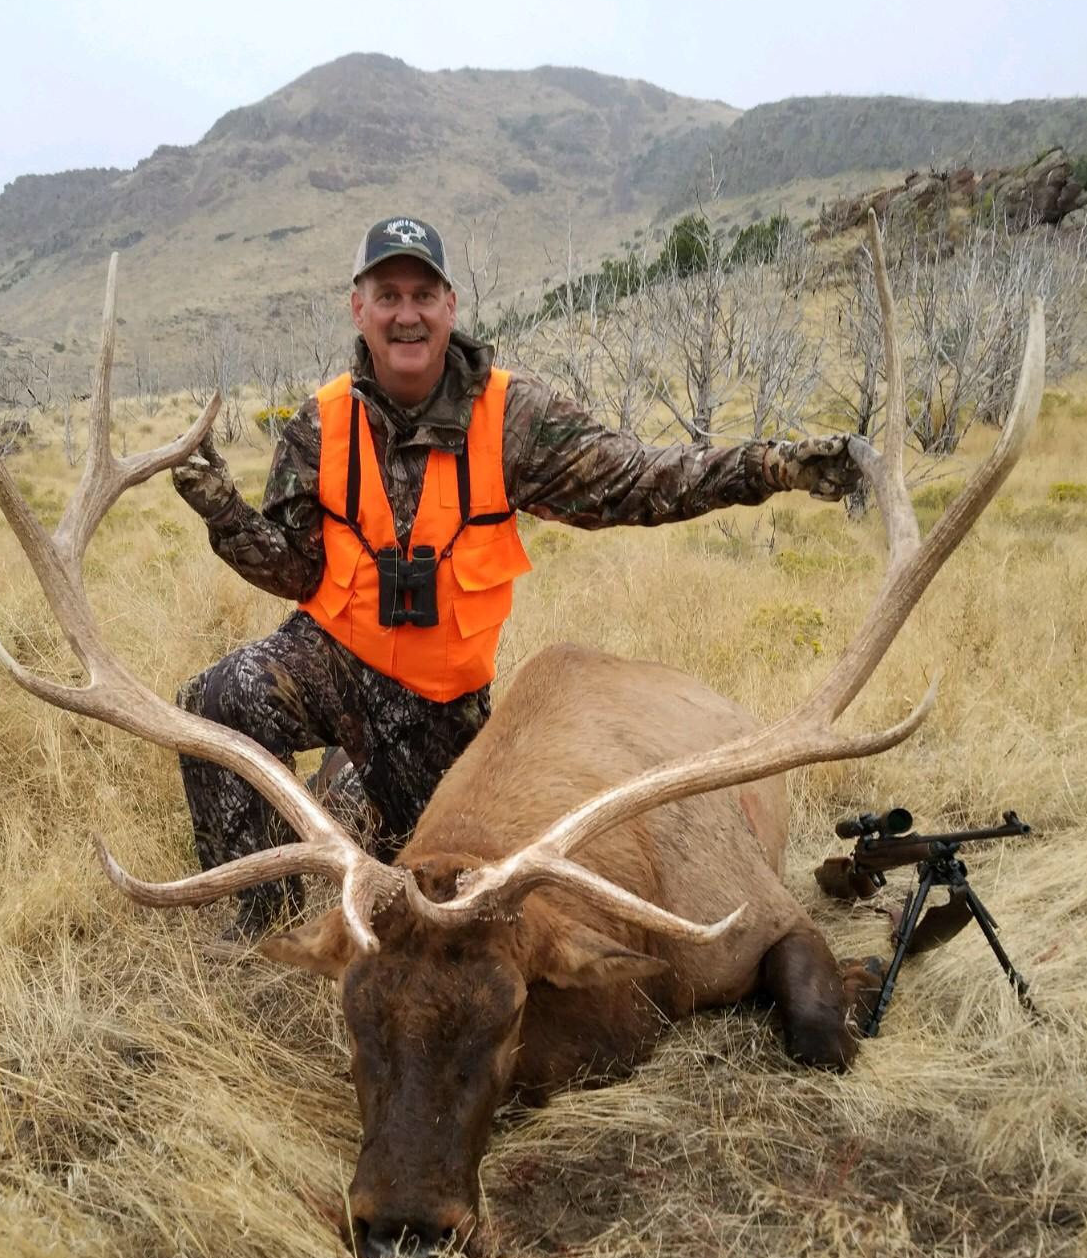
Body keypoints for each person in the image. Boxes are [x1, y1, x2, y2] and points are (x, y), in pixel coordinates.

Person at [172, 214, 863, 938]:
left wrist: (765, 467)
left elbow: (636, 480)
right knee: (220, 697)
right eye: (387, 295)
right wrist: (225, 513)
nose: (405, 314)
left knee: (438, 882)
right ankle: (259, 922)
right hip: (335, 659)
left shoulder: (512, 417)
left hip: (440, 710)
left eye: (421, 295)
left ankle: (352, 787)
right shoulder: (319, 425)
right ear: (358, 307)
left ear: (450, 306)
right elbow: (295, 567)